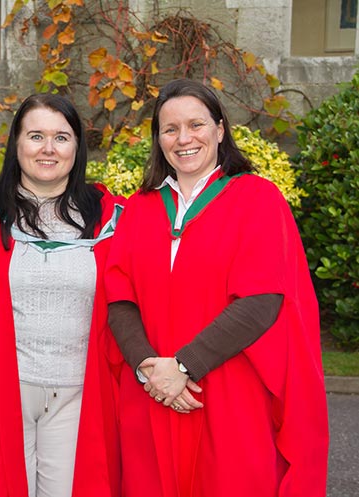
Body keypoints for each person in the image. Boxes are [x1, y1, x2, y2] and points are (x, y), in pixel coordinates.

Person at [105, 78, 329, 496]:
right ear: (158, 139)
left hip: (225, 392)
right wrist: (148, 368)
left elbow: (261, 300)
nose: (183, 138)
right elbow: (120, 298)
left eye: (196, 125)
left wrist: (184, 367)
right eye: (170, 129)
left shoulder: (257, 199)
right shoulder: (139, 208)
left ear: (220, 130)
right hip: (153, 394)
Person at [0, 94, 125, 497]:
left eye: (61, 137)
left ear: (77, 148)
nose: (48, 148)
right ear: (16, 144)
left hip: (78, 392)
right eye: (36, 136)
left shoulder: (110, 216)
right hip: (5, 391)